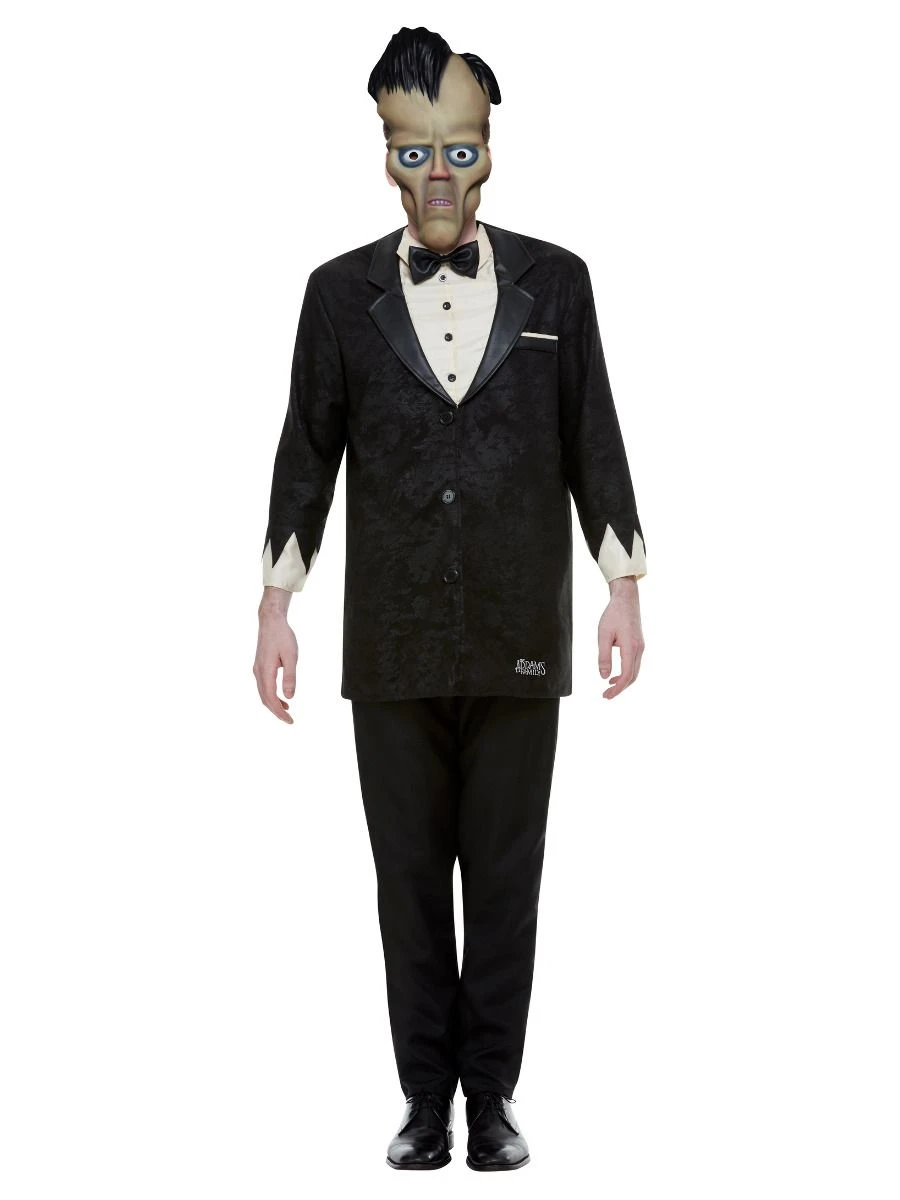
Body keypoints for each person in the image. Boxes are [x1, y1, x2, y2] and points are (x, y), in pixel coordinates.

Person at [253, 25, 647, 1171]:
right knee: (411, 884)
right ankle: (424, 1103)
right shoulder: (336, 295)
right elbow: (305, 453)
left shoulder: (558, 282)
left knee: (507, 881)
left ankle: (494, 1101)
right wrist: (276, 605)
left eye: (458, 151)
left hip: (523, 626)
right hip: (391, 638)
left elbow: (593, 434)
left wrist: (623, 584)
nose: (437, 175)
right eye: (414, 151)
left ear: (488, 151)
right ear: (386, 151)